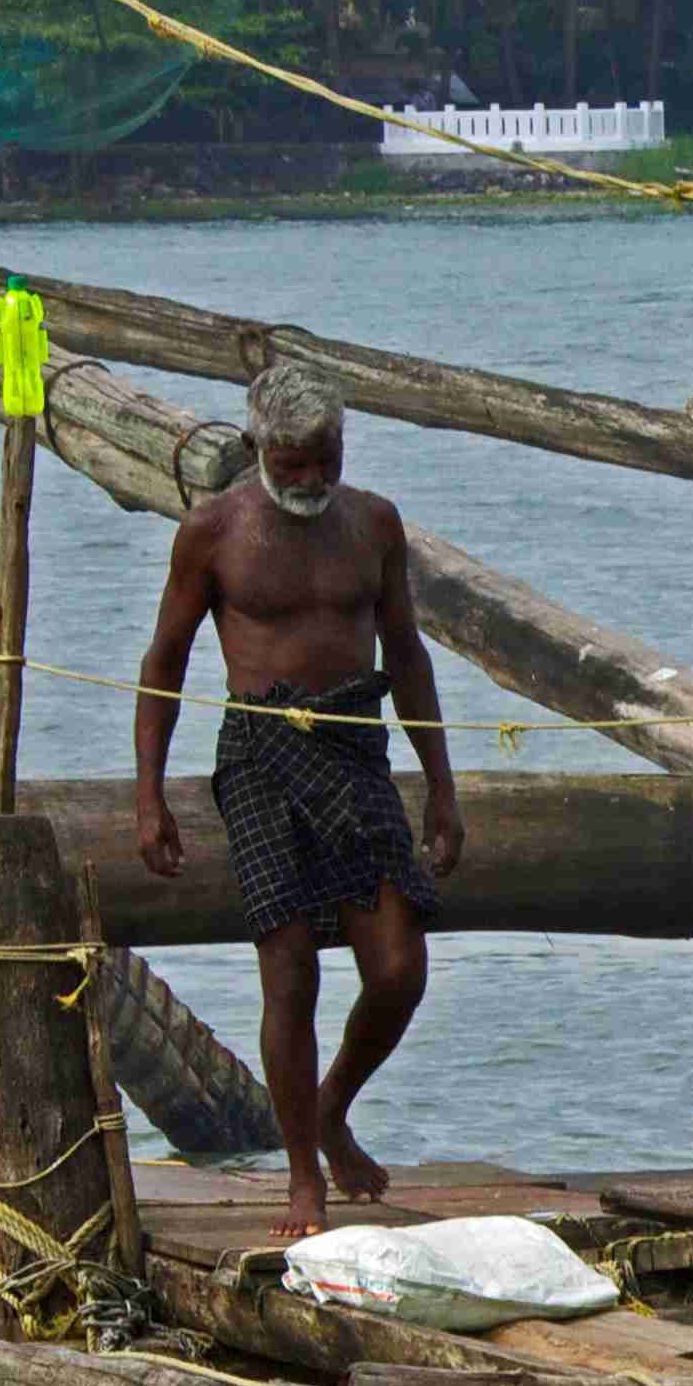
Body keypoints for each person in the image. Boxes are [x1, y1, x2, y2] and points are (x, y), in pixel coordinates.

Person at [135, 361, 463, 1236]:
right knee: (290, 975)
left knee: (398, 969)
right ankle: (302, 1179)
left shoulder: (376, 525)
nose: (314, 479)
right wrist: (148, 797)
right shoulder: (213, 532)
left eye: (327, 458)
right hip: (259, 754)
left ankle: (330, 1104)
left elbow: (407, 655)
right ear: (258, 449)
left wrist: (441, 787)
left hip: (357, 750)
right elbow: (164, 661)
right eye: (294, 463)